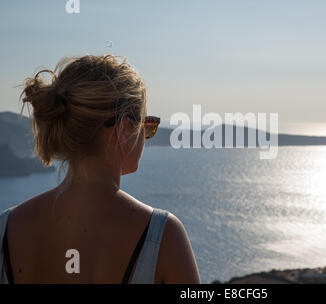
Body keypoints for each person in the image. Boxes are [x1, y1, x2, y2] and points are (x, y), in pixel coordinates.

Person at [0, 54, 200, 284]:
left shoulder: (6, 228)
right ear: (124, 128)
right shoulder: (161, 236)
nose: (146, 136)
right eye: (146, 125)